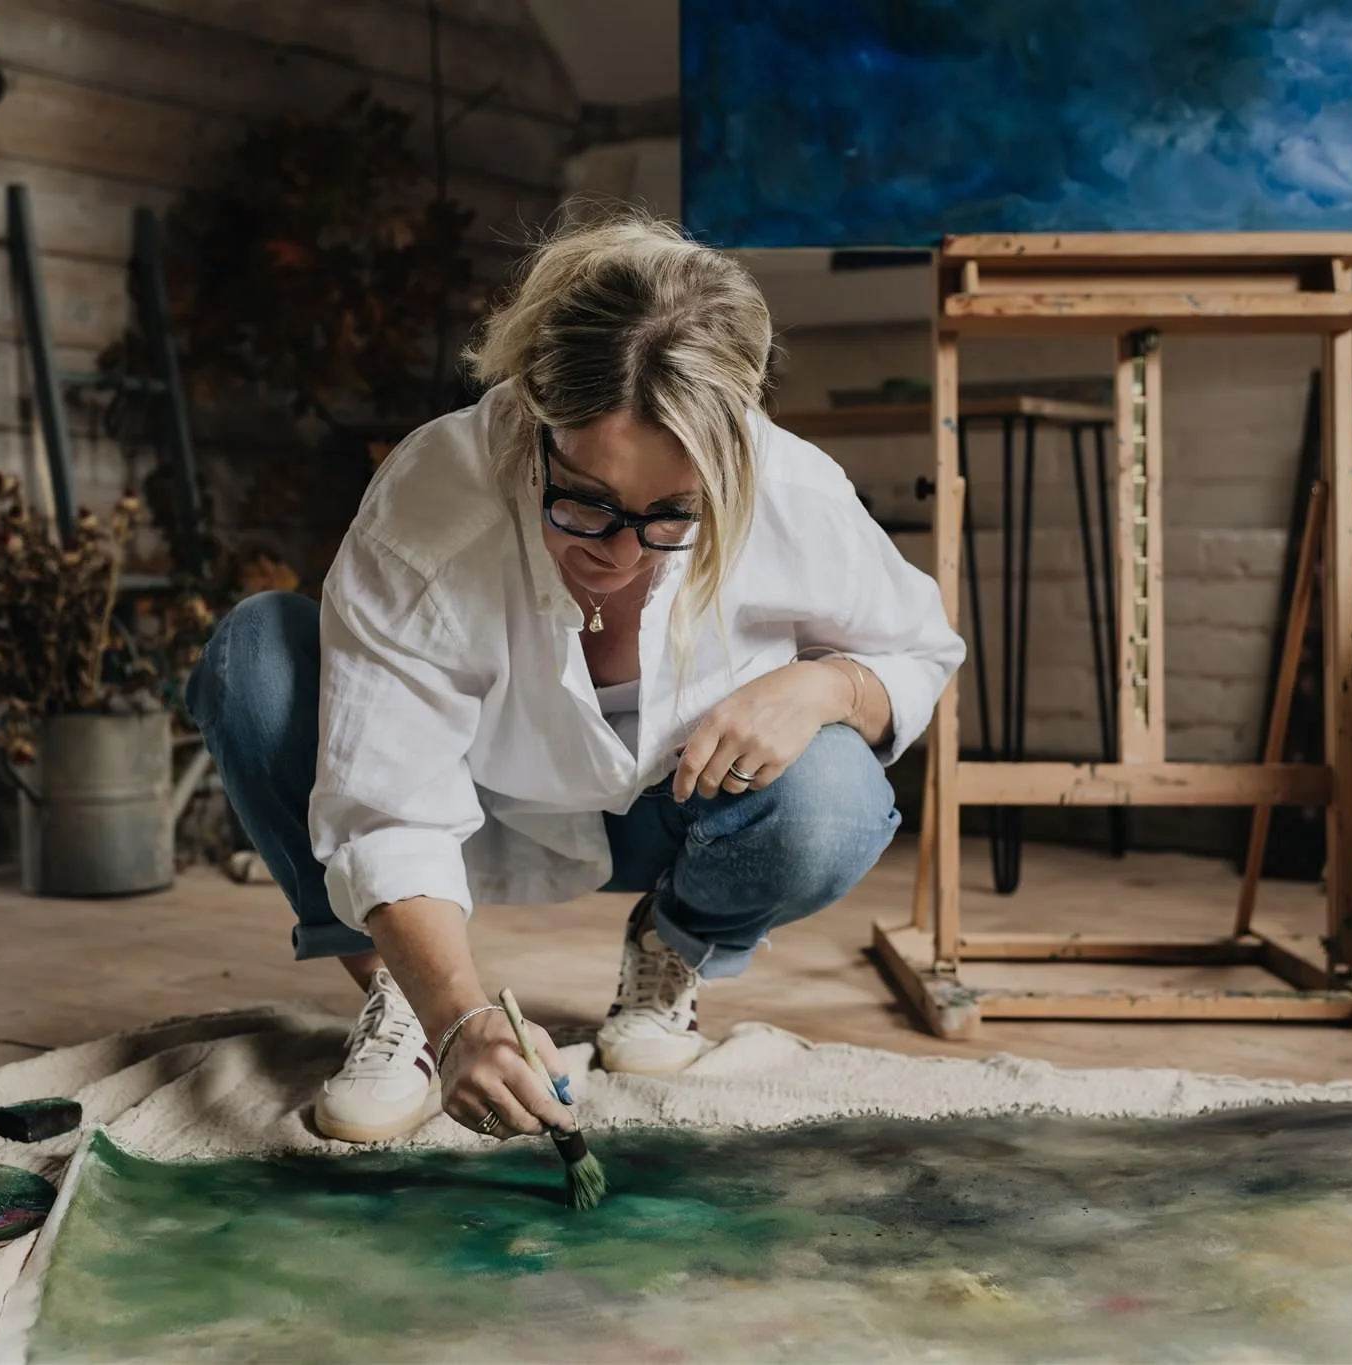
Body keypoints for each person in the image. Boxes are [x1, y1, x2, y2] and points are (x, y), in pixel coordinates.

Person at [187, 211, 965, 1147]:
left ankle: (672, 947)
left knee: (836, 794)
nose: (621, 554)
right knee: (255, 656)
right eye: (585, 502)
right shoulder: (437, 498)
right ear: (534, 420)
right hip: (467, 799)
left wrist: (826, 686)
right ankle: (400, 985)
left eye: (672, 514)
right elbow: (384, 803)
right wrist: (461, 1016)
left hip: (667, 813)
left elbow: (920, 652)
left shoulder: (790, 489)